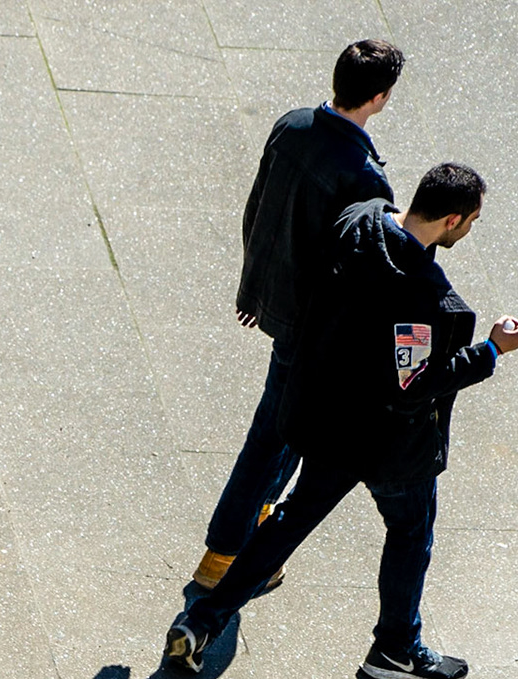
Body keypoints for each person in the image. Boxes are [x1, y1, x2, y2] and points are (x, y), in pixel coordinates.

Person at [164, 163, 518, 679]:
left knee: (286, 523)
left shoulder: (358, 222)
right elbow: (414, 383)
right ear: (452, 219)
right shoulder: (424, 295)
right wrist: (492, 350)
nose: (470, 230)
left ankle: (202, 621)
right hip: (389, 444)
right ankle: (395, 649)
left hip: (328, 420)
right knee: (410, 533)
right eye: (471, 221)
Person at [192, 38, 405, 594]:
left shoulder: (292, 126)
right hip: (311, 329)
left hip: (275, 301)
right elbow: (360, 275)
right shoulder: (365, 178)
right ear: (380, 98)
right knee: (275, 434)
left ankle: (252, 531)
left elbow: (258, 207)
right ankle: (225, 555)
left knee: (288, 430)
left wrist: (252, 290)